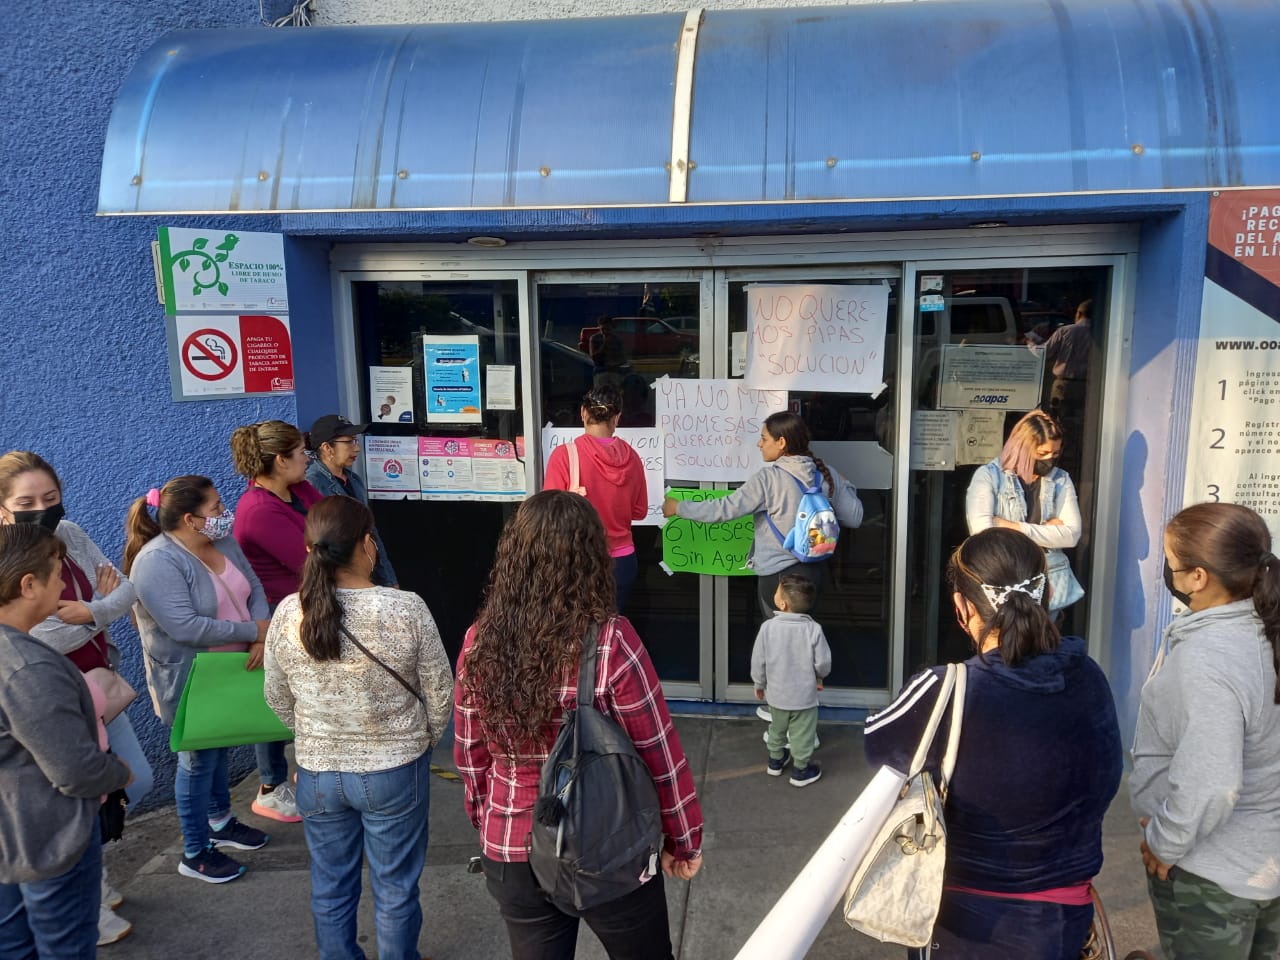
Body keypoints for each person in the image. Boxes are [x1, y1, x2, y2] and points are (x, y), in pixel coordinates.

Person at [454, 490, 704, 960]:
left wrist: (486, 817)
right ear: (594, 557)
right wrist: (683, 840)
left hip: (511, 844)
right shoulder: (611, 642)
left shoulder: (478, 639)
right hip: (608, 846)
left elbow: (471, 753)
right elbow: (660, 755)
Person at [864, 527, 1121, 959]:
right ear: (1050, 591)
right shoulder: (1088, 675)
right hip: (1063, 922)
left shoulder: (946, 690)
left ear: (961, 607)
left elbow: (878, 746)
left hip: (963, 925)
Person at [264, 496, 452, 960]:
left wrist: (311, 737)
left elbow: (275, 695)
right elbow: (442, 692)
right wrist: (422, 738)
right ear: (368, 545)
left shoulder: (290, 612)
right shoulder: (406, 608)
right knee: (395, 888)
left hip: (318, 774)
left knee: (329, 887)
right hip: (395, 768)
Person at [0, 450, 153, 946]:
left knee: (137, 781)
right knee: (72, 790)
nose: (42, 508)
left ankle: (91, 871)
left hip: (97, 682)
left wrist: (90, 612)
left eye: (51, 497)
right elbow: (37, 636)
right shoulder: (10, 562)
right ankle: (87, 889)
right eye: (27, 501)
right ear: (4, 508)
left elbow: (126, 588)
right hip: (47, 695)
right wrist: (97, 610)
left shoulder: (69, 535)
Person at [1131, 502, 1280, 959]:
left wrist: (1164, 842)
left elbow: (1212, 784)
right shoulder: (1264, 632)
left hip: (1212, 879)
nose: (1168, 573)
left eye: (1172, 564)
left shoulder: (1209, 659)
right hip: (1263, 864)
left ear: (1199, 578)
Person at [124, 476, 272, 884]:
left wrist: (261, 632)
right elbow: (186, 627)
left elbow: (253, 587)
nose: (225, 516)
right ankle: (194, 850)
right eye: (217, 509)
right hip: (190, 679)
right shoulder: (157, 561)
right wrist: (253, 633)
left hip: (234, 670)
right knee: (196, 758)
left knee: (220, 745)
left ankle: (221, 822)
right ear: (190, 519)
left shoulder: (222, 543)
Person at [661, 411, 863, 621]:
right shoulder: (824, 474)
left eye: (764, 438)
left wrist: (679, 508)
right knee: (804, 641)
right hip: (816, 576)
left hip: (779, 580)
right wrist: (844, 483)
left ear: (782, 442)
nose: (759, 444)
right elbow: (854, 517)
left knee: (779, 645)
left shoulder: (769, 479)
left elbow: (724, 509)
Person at [231, 418, 323, 822]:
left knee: (305, 697)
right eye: (302, 452)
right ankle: (271, 785)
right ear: (281, 460)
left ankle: (307, 773)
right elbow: (314, 560)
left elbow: (335, 523)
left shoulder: (295, 490)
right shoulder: (258, 511)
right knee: (276, 701)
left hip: (306, 608)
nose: (309, 457)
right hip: (279, 616)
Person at [965, 409, 1084, 614]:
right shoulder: (989, 477)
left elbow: (1072, 535)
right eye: (1042, 453)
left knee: (1045, 644)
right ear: (1022, 448)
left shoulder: (1060, 479)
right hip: (1003, 584)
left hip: (1049, 586)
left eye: (1055, 453)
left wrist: (1011, 526)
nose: (1049, 460)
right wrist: (1046, 531)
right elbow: (982, 534)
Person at [543, 385, 647, 610]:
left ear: (583, 412)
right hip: (623, 562)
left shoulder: (564, 456)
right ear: (617, 418)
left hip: (579, 561)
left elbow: (548, 514)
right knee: (610, 630)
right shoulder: (633, 458)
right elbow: (640, 511)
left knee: (577, 633)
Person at [751, 573, 830, 787]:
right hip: (804, 697)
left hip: (776, 695)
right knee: (803, 734)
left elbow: (759, 660)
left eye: (776, 592)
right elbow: (823, 662)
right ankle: (801, 770)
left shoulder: (768, 628)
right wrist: (819, 676)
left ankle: (775, 762)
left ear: (783, 604)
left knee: (776, 728)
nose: (774, 594)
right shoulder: (813, 629)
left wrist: (759, 684)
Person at [304, 414, 398, 588]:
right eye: (349, 442)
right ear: (327, 448)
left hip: (366, 574)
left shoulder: (354, 479)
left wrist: (390, 580)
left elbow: (371, 532)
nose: (356, 449)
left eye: (356, 441)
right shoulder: (312, 483)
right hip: (336, 580)